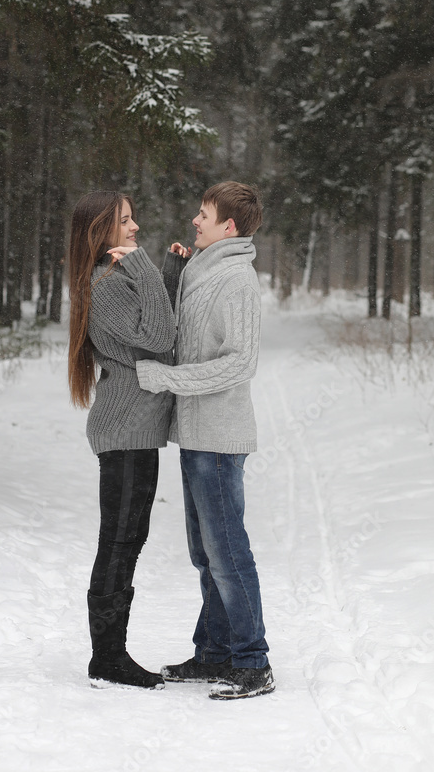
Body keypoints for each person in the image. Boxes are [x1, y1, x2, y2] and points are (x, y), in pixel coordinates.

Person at [136, 181, 274, 700]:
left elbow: (240, 362)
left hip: (219, 438)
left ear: (228, 227)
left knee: (227, 551)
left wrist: (166, 379)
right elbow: (186, 331)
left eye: (204, 215)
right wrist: (174, 270)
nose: (195, 221)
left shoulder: (237, 278)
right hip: (196, 435)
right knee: (205, 553)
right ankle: (214, 653)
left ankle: (252, 661)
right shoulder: (205, 267)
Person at [68, 190, 176, 690]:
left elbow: (154, 324)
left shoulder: (113, 280)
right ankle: (107, 659)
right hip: (125, 429)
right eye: (126, 222)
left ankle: (109, 655)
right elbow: (159, 339)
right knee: (120, 542)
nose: (135, 228)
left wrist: (168, 275)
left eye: (134, 218)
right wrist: (150, 270)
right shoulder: (107, 282)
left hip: (131, 427)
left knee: (127, 538)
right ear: (102, 233)